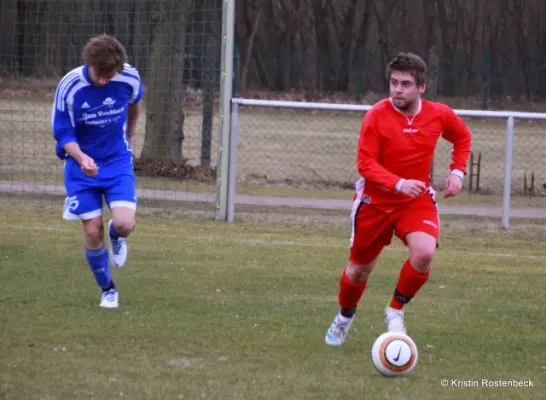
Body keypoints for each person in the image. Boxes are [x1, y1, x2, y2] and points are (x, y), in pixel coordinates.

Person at [325, 52, 472, 346]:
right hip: (374, 202)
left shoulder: (439, 114)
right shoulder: (376, 116)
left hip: (415, 200)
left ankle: (395, 311)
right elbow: (365, 164)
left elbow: (462, 137)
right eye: (393, 83)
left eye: (405, 84)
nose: (397, 90)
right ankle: (344, 317)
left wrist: (457, 172)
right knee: (359, 270)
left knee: (424, 254)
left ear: (421, 87)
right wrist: (398, 183)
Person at [51, 34, 143, 309]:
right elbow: (62, 132)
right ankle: (108, 290)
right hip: (81, 166)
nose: (104, 80)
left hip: (116, 161)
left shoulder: (128, 78)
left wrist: (131, 133)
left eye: (109, 74)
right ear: (89, 63)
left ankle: (115, 235)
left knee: (125, 223)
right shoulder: (70, 87)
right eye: (99, 74)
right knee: (92, 232)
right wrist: (81, 158)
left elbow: (136, 100)